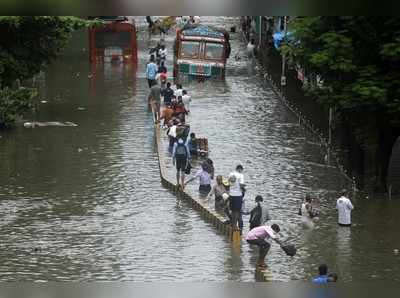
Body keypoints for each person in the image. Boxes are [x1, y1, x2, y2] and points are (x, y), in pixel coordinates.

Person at [228, 165, 245, 232]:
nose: (241, 171)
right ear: (240, 169)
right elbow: (241, 185)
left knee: (232, 210)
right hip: (238, 195)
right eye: (241, 170)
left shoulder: (231, 174)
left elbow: (229, 182)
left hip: (231, 194)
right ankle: (235, 226)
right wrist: (244, 188)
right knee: (237, 211)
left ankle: (232, 224)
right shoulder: (241, 175)